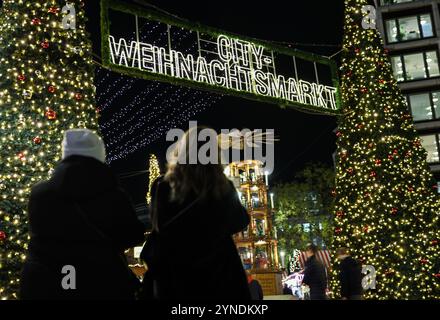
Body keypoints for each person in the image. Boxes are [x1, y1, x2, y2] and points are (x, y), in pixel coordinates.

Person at [20, 129, 146, 300]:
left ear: (65, 154)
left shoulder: (40, 193)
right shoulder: (112, 195)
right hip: (99, 283)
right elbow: (132, 236)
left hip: (51, 284)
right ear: (98, 155)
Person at [141, 126, 251, 300]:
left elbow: (158, 225)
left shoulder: (162, 186)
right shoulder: (222, 187)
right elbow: (240, 220)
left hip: (175, 276)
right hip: (219, 277)